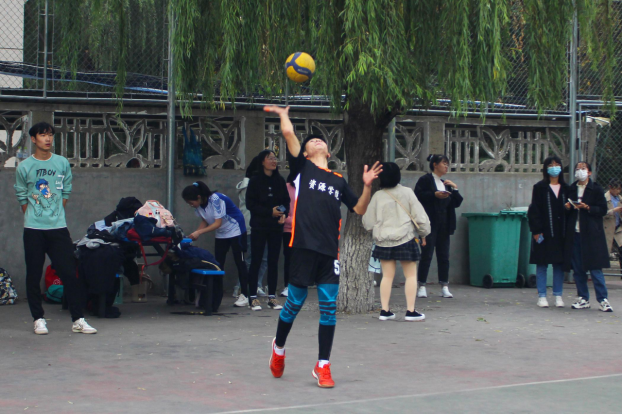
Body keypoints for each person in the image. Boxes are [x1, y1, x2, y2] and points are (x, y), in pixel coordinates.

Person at [264, 105, 382, 389]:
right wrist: (283, 115)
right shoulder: (302, 168)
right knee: (294, 304)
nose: (317, 141)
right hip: (302, 247)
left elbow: (359, 209)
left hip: (330, 252)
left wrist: (367, 186)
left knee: (328, 309)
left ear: (329, 153)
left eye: (321, 140)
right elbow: (289, 134)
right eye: (311, 141)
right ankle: (278, 348)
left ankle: (323, 365)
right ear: (305, 153)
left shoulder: (338, 181)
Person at [14, 122, 97, 336]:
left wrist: (56, 212)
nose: (48, 139)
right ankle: (38, 319)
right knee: (33, 274)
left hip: (58, 228)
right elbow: (21, 194)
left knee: (69, 273)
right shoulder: (24, 166)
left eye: (50, 135)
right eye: (43, 135)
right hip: (33, 229)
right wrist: (33, 214)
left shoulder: (61, 163)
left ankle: (78, 319)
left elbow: (65, 190)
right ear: (34, 139)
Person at [362, 162, 431, 321]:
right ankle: (410, 311)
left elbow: (368, 223)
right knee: (411, 276)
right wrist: (424, 233)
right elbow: (420, 216)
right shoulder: (407, 192)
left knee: (387, 276)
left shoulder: (377, 196)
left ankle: (385, 311)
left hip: (383, 241)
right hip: (405, 238)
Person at [182, 181, 250, 308]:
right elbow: (205, 220)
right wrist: (194, 234)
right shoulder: (199, 206)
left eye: (191, 202)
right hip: (221, 233)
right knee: (218, 264)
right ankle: (216, 294)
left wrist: (199, 232)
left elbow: (217, 223)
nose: (190, 205)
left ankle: (245, 295)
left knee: (240, 262)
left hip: (236, 230)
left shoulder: (216, 199)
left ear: (199, 197)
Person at [565, 162, 614, 312]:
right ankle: (583, 298)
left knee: (595, 267)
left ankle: (603, 299)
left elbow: (602, 210)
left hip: (591, 234)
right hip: (575, 233)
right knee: (578, 268)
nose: (580, 171)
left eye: (583, 168)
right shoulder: (572, 188)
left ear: (589, 172)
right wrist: (568, 207)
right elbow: (566, 209)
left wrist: (587, 207)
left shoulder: (596, 189)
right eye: (577, 169)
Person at [246, 150, 290, 311]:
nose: (273, 161)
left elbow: (286, 201)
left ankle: (272, 296)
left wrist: (283, 214)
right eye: (270, 158)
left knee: (273, 261)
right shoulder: (255, 181)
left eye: (274, 158)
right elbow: (251, 204)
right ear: (262, 162)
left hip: (276, 227)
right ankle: (252, 297)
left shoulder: (279, 180)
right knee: (256, 260)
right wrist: (269, 212)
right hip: (259, 226)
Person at [414, 154, 464, 299]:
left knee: (444, 256)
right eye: (444, 163)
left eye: (447, 164)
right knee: (426, 254)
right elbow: (418, 196)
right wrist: (434, 195)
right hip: (429, 223)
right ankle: (422, 285)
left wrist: (455, 189)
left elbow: (457, 202)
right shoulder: (425, 180)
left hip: (445, 223)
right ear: (435, 164)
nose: (446, 166)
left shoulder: (446, 183)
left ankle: (444, 286)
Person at [527, 156, 569, 308]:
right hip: (543, 232)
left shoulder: (566, 188)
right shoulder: (540, 187)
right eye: (551, 165)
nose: (554, 167)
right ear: (545, 168)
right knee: (542, 263)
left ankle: (558, 295)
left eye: (557, 164)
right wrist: (536, 230)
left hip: (561, 233)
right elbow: (534, 210)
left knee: (558, 264)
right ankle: (542, 295)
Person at [236, 169, 268, 298]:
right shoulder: (249, 187)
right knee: (253, 259)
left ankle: (253, 285)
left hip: (259, 226)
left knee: (261, 258)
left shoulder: (250, 185)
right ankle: (243, 287)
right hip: (252, 227)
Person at [281, 171, 298, 298]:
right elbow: (281, 206)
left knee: (301, 258)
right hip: (288, 229)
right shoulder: (286, 187)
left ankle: (298, 286)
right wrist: (287, 218)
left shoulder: (307, 187)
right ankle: (288, 285)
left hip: (304, 229)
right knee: (289, 258)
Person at [604, 178, 622, 278]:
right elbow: (602, 213)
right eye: (616, 189)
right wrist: (614, 210)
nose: (618, 191)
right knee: (604, 252)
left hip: (618, 229)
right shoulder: (604, 198)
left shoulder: (620, 198)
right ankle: (597, 273)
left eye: (619, 189)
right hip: (607, 228)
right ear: (610, 188)